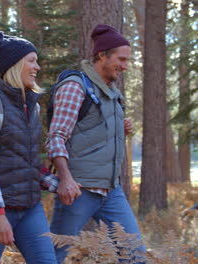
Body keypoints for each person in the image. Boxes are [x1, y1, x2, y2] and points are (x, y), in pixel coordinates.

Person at [45, 24, 144, 263]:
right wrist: (66, 179)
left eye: (127, 60)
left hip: (111, 190)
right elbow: (56, 136)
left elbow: (93, 130)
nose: (125, 66)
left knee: (134, 254)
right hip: (79, 190)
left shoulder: (111, 91)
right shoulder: (75, 87)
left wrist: (122, 128)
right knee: (55, 255)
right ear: (102, 55)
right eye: (121, 59)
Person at [0, 31, 58, 264]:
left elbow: (28, 163)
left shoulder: (32, 109)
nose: (37, 67)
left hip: (31, 209)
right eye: (31, 60)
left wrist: (60, 185)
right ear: (15, 65)